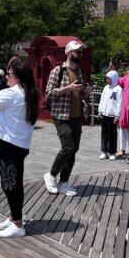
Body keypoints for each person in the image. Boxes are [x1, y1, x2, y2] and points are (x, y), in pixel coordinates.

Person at [0, 59, 39, 238]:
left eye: (10, 74)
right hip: (18, 143)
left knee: (10, 183)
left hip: (8, 144)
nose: (7, 77)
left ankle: (18, 224)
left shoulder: (12, 93)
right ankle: (13, 217)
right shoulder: (27, 91)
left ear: (18, 76)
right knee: (13, 181)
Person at [43, 41, 90, 196]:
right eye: (78, 52)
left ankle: (64, 182)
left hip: (76, 115)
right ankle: (51, 175)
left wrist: (86, 92)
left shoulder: (80, 72)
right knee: (68, 147)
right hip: (61, 115)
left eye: (81, 52)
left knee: (73, 150)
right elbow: (49, 93)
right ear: (69, 53)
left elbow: (81, 94)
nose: (80, 55)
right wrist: (67, 88)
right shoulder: (58, 71)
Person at [97, 70, 121, 160]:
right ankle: (104, 152)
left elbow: (119, 103)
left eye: (109, 79)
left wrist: (117, 115)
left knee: (112, 134)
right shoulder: (106, 88)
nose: (107, 81)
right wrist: (100, 112)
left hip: (112, 116)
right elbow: (102, 100)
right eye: (106, 79)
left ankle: (112, 152)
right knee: (104, 133)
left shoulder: (118, 89)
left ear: (114, 78)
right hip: (104, 114)